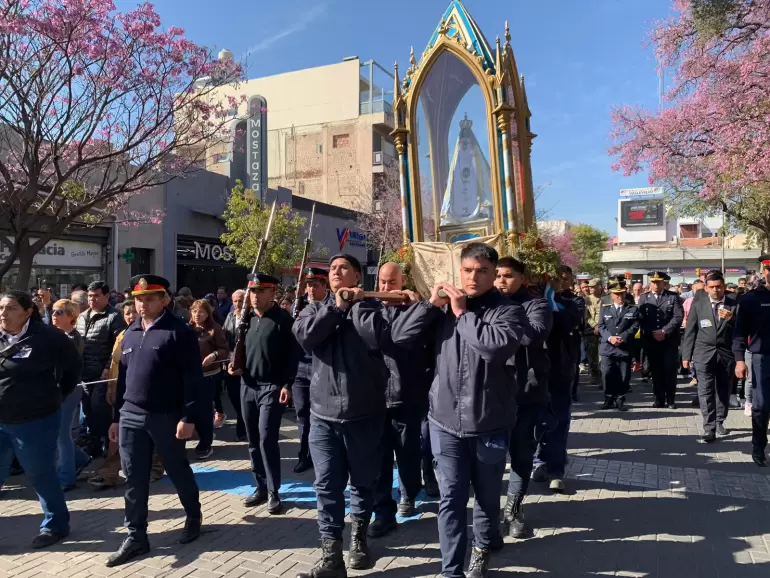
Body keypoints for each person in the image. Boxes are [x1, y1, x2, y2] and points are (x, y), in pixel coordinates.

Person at [390, 243, 526, 578]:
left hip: (489, 422)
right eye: (467, 270)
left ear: (494, 275)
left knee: (486, 497)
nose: (473, 277)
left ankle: (481, 549)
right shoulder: (443, 309)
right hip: (445, 421)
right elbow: (399, 336)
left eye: (482, 271)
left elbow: (493, 348)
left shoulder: (508, 311)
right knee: (450, 498)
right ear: (459, 270)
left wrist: (463, 314)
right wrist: (431, 306)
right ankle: (451, 570)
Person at [293, 254, 389, 577]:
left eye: (342, 268)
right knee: (326, 485)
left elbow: (380, 338)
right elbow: (306, 337)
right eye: (332, 269)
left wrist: (357, 304)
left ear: (357, 277)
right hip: (323, 415)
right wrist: (336, 309)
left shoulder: (373, 308)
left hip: (364, 414)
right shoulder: (315, 310)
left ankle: (359, 540)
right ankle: (331, 555)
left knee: (363, 482)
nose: (335, 272)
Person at [106, 275, 204, 567]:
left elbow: (193, 379)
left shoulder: (178, 332)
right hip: (130, 416)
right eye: (138, 299)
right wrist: (116, 418)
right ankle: (136, 536)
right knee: (134, 477)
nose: (142, 304)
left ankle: (193, 515)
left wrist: (188, 417)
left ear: (164, 300)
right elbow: (121, 379)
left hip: (166, 416)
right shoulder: (131, 332)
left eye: (150, 298)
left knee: (176, 469)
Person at [0, 291, 81, 548]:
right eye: (1, 307)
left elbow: (73, 368)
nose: (3, 313)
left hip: (35, 420)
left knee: (40, 473)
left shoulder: (48, 337)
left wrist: (56, 396)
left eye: (10, 308)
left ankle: (55, 525)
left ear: (27, 311)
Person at [366, 262, 430, 539]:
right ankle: (383, 511)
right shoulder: (371, 309)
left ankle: (409, 492)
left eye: (391, 282)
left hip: (407, 395)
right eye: (382, 282)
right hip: (376, 398)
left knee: (407, 452)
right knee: (379, 458)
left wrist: (415, 306)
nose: (385, 288)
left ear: (403, 282)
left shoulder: (414, 309)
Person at [495, 257, 552, 539]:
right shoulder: (486, 302)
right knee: (490, 456)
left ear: (522, 278)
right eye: (496, 275)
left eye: (507, 276)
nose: (500, 281)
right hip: (490, 393)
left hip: (525, 392)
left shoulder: (536, 304)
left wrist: (502, 318)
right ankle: (490, 510)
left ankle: (514, 508)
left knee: (520, 453)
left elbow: (534, 335)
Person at [230, 273, 296, 514]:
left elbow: (293, 356)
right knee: (253, 441)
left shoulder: (283, 320)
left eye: (260, 291)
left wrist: (288, 385)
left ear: (272, 292)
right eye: (253, 291)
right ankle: (259, 486)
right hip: (248, 385)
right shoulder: (246, 320)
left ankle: (273, 491)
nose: (255, 296)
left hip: (272, 386)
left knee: (267, 438)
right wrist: (233, 363)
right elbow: (238, 349)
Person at [89, 300, 164, 489]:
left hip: (145, 396)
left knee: (145, 436)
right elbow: (116, 362)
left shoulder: (149, 334)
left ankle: (153, 468)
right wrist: (110, 388)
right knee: (118, 435)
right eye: (127, 313)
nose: (130, 316)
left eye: (133, 313)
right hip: (119, 389)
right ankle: (111, 472)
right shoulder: (124, 334)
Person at [532, 274, 582, 493]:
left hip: (559, 371)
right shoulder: (528, 301)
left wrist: (550, 299)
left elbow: (564, 323)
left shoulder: (572, 302)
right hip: (533, 373)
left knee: (558, 422)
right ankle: (538, 461)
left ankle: (556, 470)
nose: (557, 282)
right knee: (534, 422)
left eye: (562, 279)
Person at [682, 270, 737, 444]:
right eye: (712, 287)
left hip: (726, 355)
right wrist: (686, 355)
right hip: (703, 353)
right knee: (705, 391)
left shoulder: (735, 304)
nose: (716, 290)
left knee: (723, 390)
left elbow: (743, 330)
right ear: (706, 288)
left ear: (724, 286)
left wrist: (733, 319)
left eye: (719, 287)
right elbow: (690, 331)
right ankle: (709, 428)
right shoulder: (699, 305)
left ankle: (720, 421)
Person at [76, 281, 127, 458]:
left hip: (102, 373)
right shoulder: (82, 316)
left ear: (106, 296)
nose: (92, 299)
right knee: (87, 409)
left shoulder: (114, 316)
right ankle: (94, 442)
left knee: (100, 408)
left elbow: (119, 344)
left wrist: (107, 368)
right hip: (84, 372)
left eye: (96, 295)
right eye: (90, 296)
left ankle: (108, 442)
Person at [50, 298, 92, 490]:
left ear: (71, 316)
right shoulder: (57, 334)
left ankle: (66, 478)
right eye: (53, 312)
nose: (54, 316)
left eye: (59, 312)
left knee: (62, 433)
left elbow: (69, 368)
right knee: (58, 431)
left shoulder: (73, 338)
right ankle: (82, 459)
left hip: (70, 388)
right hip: (57, 388)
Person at [291, 268, 330, 473]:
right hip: (300, 369)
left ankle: (321, 455)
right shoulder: (299, 309)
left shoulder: (332, 308)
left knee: (320, 416)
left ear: (325, 286)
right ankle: (304, 455)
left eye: (315, 285)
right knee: (302, 416)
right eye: (308, 285)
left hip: (321, 368)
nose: (311, 289)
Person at [734, 255, 770, 467]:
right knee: (762, 405)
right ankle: (758, 447)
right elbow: (739, 333)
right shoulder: (751, 299)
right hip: (761, 358)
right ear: (764, 272)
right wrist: (740, 360)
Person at [189, 299, 229, 459]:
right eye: (194, 311)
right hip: (191, 375)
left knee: (204, 411)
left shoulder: (215, 329)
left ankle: (206, 443)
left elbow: (225, 349)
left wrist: (214, 355)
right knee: (191, 409)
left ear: (208, 313)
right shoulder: (187, 329)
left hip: (209, 376)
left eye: (201, 312)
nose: (197, 315)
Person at [638, 272, 684, 408]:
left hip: (669, 340)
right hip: (652, 340)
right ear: (650, 283)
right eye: (653, 282)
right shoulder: (644, 298)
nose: (656, 284)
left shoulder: (673, 297)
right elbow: (641, 318)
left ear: (664, 283)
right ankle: (659, 399)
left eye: (659, 282)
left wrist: (664, 330)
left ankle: (670, 400)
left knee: (670, 370)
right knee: (656, 370)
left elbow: (678, 316)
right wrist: (654, 332)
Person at [598, 278, 639, 411]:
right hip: (608, 347)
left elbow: (635, 326)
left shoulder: (632, 310)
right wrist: (610, 338)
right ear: (611, 295)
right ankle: (608, 397)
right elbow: (601, 326)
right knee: (607, 373)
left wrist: (622, 337)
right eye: (617, 294)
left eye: (622, 293)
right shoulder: (605, 309)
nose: (620, 296)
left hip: (624, 347)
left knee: (623, 375)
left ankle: (620, 398)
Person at [222, 289, 247, 442]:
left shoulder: (250, 317)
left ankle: (243, 430)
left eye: (241, 300)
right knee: (234, 397)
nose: (238, 304)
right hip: (231, 363)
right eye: (235, 301)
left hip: (245, 365)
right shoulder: (230, 316)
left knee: (243, 399)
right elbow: (224, 338)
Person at [583, 278, 603, 385]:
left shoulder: (606, 299)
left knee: (603, 355)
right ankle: (594, 374)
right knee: (592, 354)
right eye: (589, 287)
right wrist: (595, 326)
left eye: (592, 287)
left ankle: (602, 375)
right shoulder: (587, 300)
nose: (590, 288)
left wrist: (601, 327)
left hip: (604, 330)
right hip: (591, 331)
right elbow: (586, 316)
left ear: (599, 286)